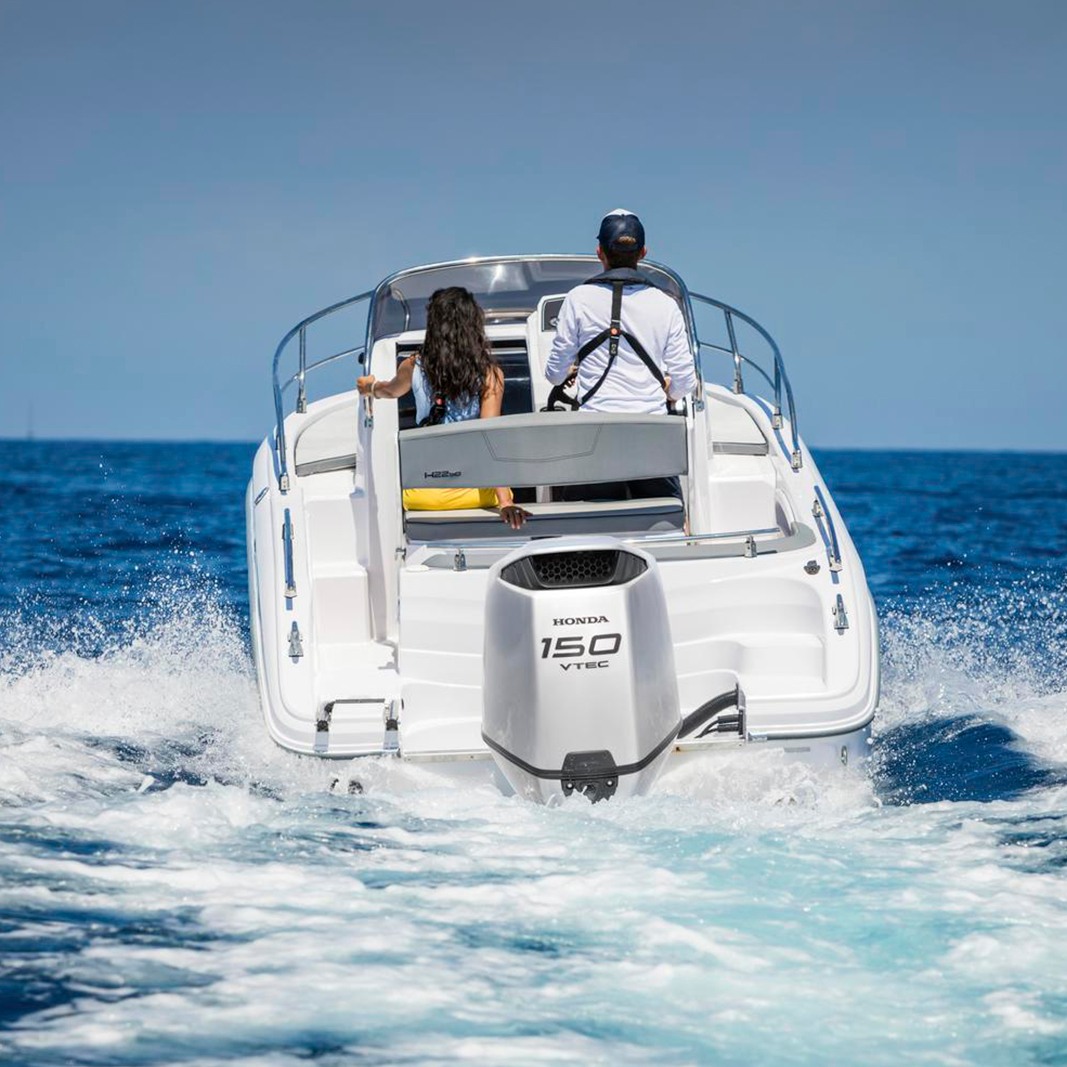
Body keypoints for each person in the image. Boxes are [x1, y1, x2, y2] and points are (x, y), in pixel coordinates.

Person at [544, 208, 697, 501]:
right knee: (667, 519)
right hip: (651, 436)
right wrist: (668, 390)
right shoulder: (665, 304)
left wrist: (572, 372)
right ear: (643, 253)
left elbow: (553, 374)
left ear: (599, 251)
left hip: (595, 438)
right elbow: (685, 382)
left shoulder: (578, 299)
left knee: (588, 524)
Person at [357, 286, 528, 529]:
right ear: (473, 326)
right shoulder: (490, 374)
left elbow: (389, 390)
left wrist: (370, 387)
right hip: (475, 494)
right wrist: (505, 502)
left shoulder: (412, 365)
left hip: (423, 496)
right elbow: (490, 438)